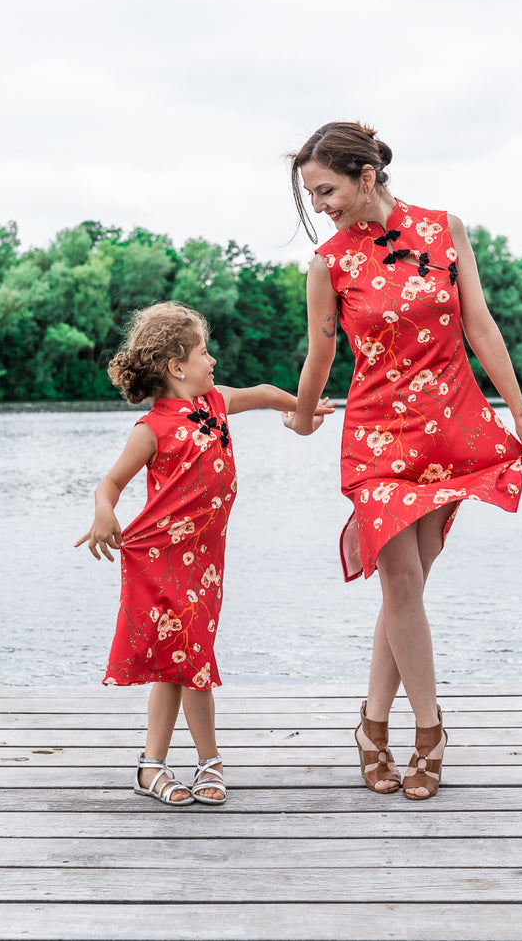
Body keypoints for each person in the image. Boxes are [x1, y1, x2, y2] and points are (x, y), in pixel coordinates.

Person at [282, 121, 522, 801]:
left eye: (326, 190)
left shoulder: (444, 229)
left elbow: (479, 325)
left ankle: (371, 726)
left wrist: (517, 411)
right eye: (313, 196)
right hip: (375, 437)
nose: (321, 207)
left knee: (407, 591)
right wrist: (306, 413)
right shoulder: (330, 263)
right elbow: (320, 353)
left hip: (448, 432)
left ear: (365, 174)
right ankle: (429, 733)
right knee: (399, 581)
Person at [76, 301, 332, 806]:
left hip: (205, 564)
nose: (212, 361)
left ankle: (152, 766)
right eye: (203, 352)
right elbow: (110, 482)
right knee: (191, 658)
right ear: (176, 367)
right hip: (161, 557)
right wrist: (104, 511)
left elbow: (259, 394)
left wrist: (302, 409)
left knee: (182, 661)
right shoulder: (152, 429)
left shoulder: (214, 402)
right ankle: (205, 762)